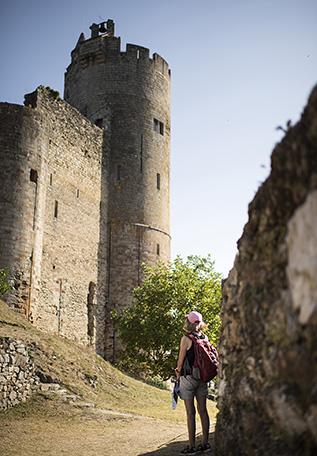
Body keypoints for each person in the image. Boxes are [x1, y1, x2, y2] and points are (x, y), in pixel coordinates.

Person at [175, 311, 211, 454]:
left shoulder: (186, 338)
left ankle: (191, 447)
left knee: (191, 413)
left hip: (188, 378)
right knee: (203, 411)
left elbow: (181, 360)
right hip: (202, 377)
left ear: (188, 322)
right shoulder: (205, 337)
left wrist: (178, 371)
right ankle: (205, 444)